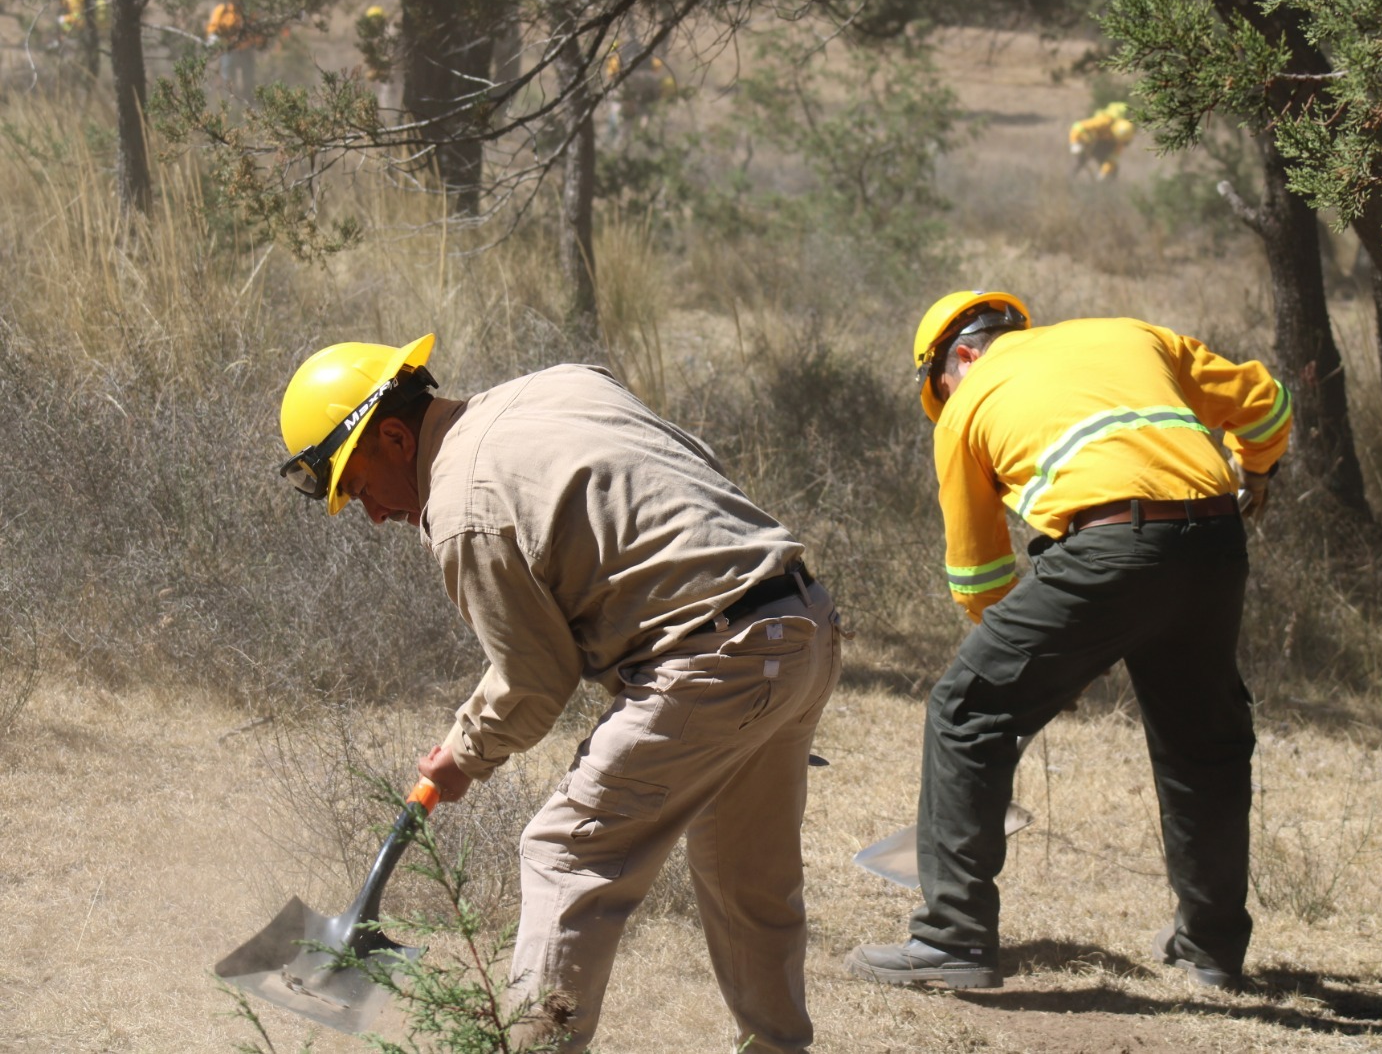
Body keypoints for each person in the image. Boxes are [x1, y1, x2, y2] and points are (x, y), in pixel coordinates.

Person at [277, 336, 842, 1053]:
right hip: (801, 625)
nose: (374, 515)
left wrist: (465, 754)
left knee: (564, 854)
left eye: (359, 488)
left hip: (714, 658)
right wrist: (464, 740)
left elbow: (536, 679)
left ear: (393, 437)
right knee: (746, 871)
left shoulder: (464, 506)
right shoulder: (561, 386)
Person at [844, 292, 1291, 992]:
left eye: (941, 388)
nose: (947, 400)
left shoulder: (965, 406)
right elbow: (1266, 403)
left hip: (1107, 548)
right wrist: (1256, 467)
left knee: (965, 712)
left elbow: (979, 574)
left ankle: (951, 939)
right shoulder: (1133, 335)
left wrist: (1049, 667)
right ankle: (1210, 949)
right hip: (1214, 541)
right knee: (1202, 743)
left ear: (962, 357)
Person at [206, 0, 256, 100]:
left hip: (246, 49)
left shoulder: (248, 12)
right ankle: (229, 100)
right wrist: (215, 40)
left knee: (248, 78)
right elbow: (212, 29)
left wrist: (254, 41)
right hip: (228, 50)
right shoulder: (221, 10)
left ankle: (248, 100)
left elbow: (255, 29)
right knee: (228, 77)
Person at [1069, 101, 1136, 180]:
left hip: (1103, 147)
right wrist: (1075, 142)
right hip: (1090, 142)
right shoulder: (1104, 121)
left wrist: (1103, 173)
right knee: (1080, 162)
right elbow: (1078, 127)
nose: (1117, 142)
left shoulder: (1121, 140)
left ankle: (1105, 185)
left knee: (1113, 170)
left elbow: (1112, 158)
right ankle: (1069, 179)